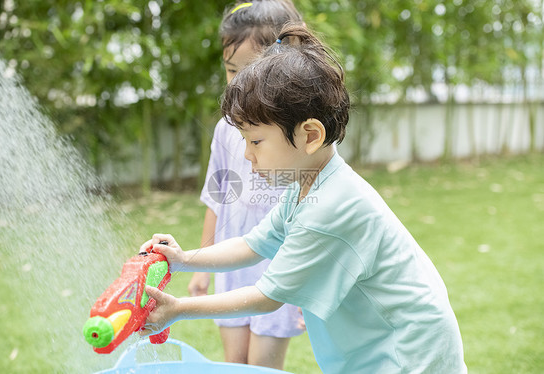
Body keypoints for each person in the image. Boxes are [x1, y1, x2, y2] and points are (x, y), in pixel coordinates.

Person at [139, 24, 467, 373]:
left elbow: (267, 297)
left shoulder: (331, 207)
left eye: (256, 142)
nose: (247, 156)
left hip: (409, 355)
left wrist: (178, 309)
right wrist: (183, 259)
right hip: (376, 350)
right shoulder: (303, 186)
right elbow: (253, 244)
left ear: (310, 135)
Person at [187, 0, 305, 369]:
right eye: (231, 70)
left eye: (249, 70)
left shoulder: (299, 131)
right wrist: (203, 266)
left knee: (262, 369)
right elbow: (218, 198)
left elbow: (314, 214)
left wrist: (307, 285)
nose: (238, 82)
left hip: (280, 269)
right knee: (234, 365)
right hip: (233, 269)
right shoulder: (225, 129)